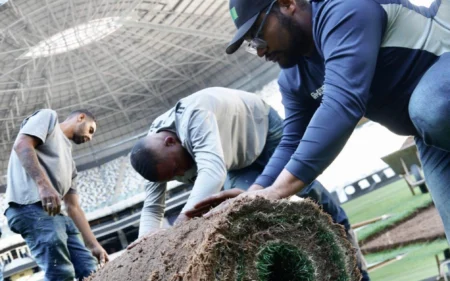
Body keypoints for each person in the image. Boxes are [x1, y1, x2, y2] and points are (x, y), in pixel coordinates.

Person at [128, 87, 368, 277]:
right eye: (172, 177)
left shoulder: (194, 116)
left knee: (306, 190)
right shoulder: (151, 157)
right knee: (245, 213)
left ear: (170, 141)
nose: (180, 174)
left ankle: (348, 242)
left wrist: (179, 227)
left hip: (263, 130)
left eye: (176, 169)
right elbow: (152, 207)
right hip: (237, 161)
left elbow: (212, 172)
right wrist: (146, 245)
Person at [4, 109, 109, 281]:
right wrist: (43, 185)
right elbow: (22, 144)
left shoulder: (70, 164)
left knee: (89, 268)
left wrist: (93, 244)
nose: (90, 138)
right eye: (90, 130)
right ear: (80, 118)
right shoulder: (49, 118)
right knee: (61, 273)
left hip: (59, 216)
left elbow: (73, 207)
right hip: (30, 207)